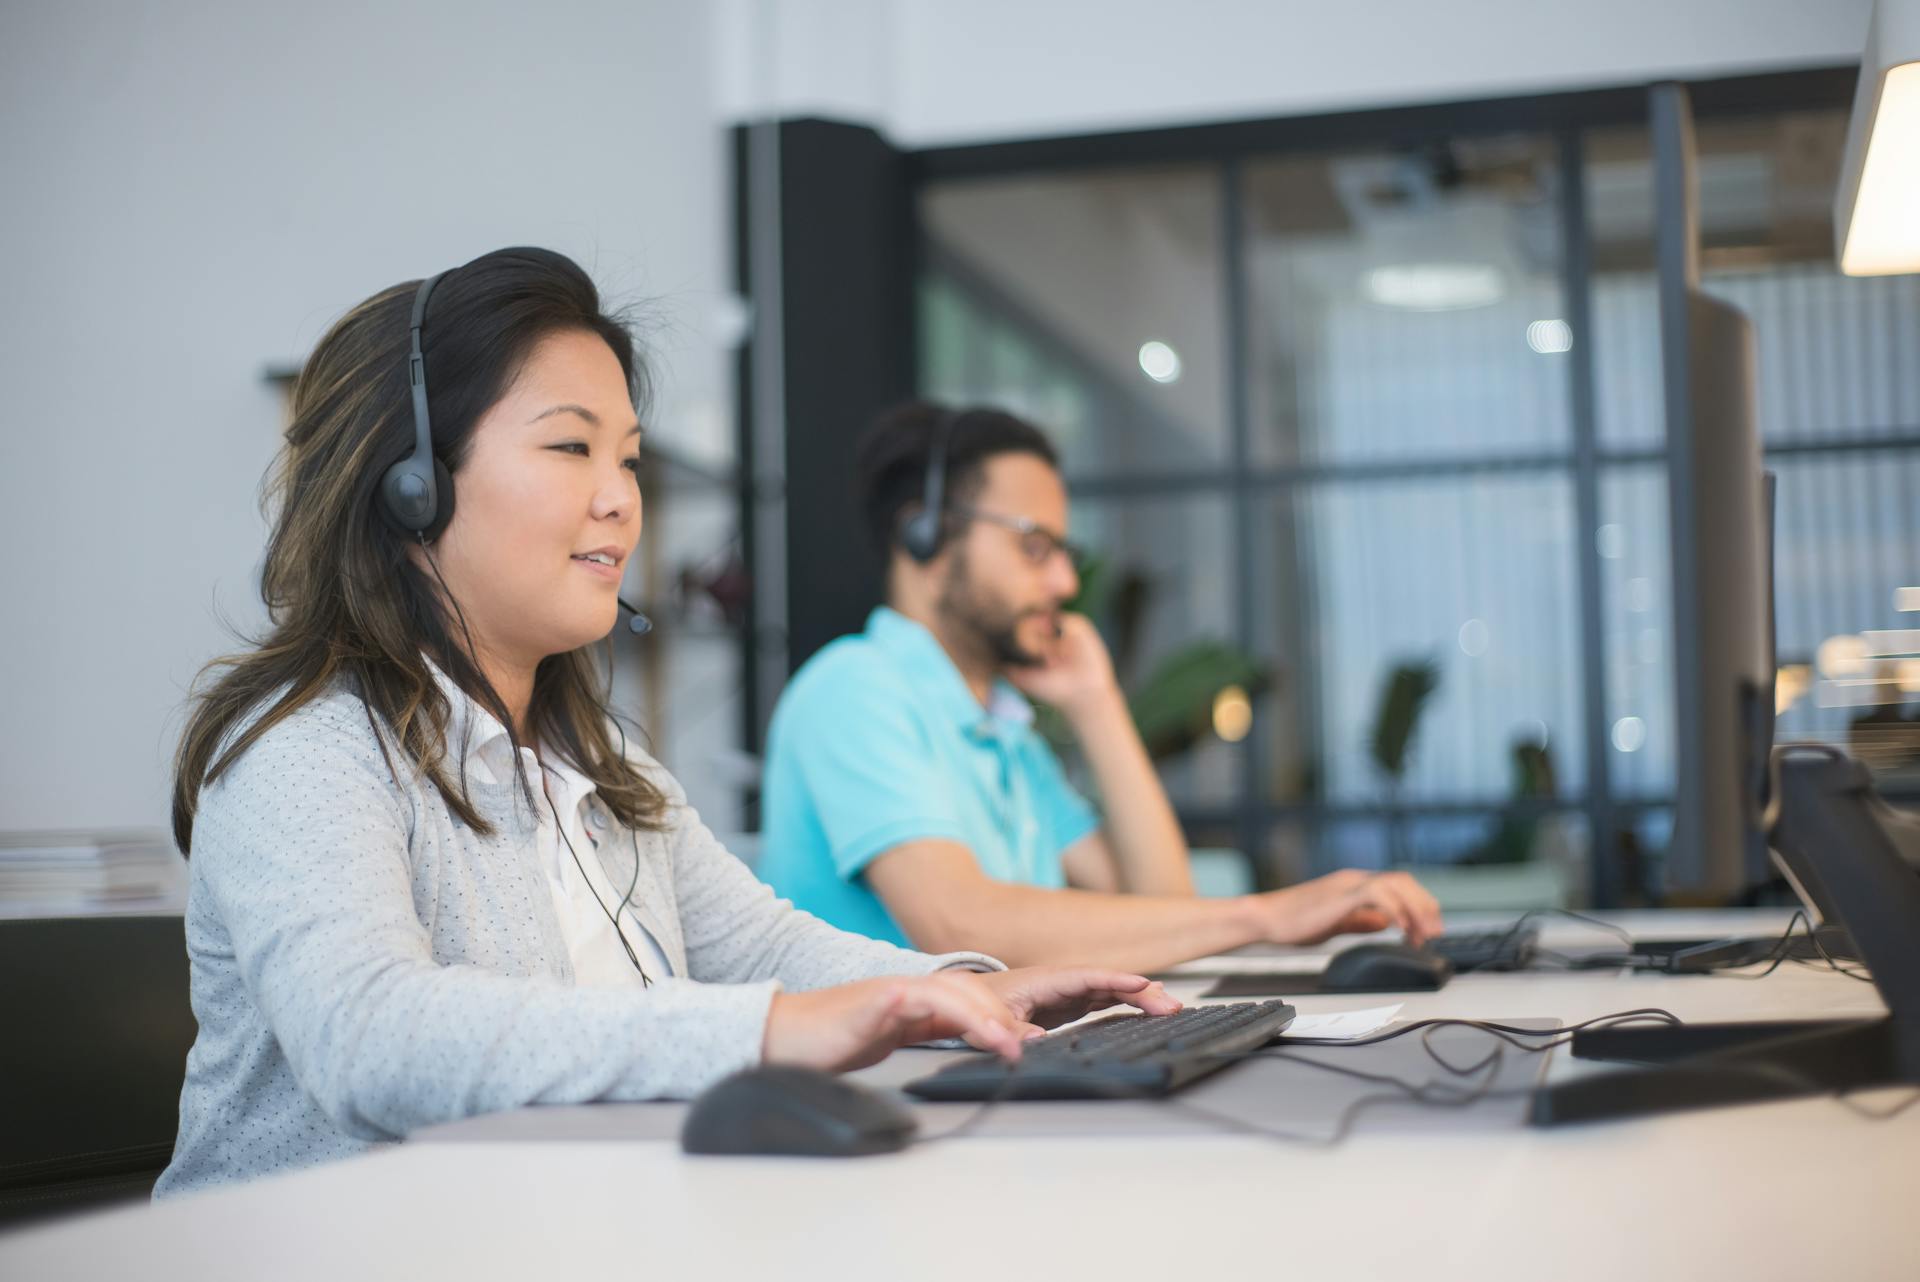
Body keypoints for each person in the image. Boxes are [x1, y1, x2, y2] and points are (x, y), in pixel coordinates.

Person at [157, 251, 1175, 1197]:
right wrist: (776, 1030)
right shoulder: (301, 748)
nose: (619, 500)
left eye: (630, 460)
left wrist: (976, 993)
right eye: (570, 446)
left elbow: (764, 946)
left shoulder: (599, 764)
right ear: (410, 485)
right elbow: (370, 1036)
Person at [757, 402, 1443, 973]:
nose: (1063, 582)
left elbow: (1157, 907)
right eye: (1035, 547)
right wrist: (1266, 915)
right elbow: (953, 921)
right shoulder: (853, 690)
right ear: (924, 537)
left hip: (983, 1074)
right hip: (883, 1099)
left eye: (1064, 552)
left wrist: (1098, 706)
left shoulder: (1003, 730)